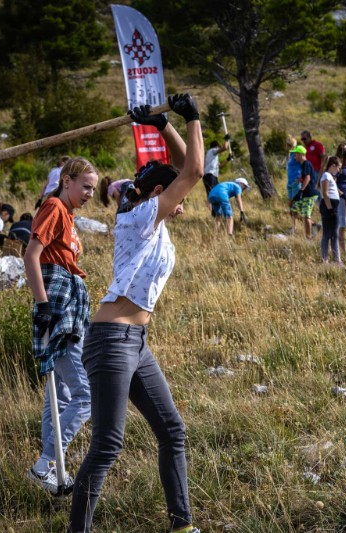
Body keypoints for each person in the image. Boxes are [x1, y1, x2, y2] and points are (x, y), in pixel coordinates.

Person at [68, 94, 203, 533]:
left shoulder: (149, 215)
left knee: (172, 431)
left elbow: (186, 171)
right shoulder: (141, 216)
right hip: (111, 341)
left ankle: (181, 525)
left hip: (135, 343)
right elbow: (194, 171)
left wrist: (162, 125)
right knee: (107, 444)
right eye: (176, 190)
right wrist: (194, 117)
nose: (186, 197)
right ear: (161, 193)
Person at [23, 156, 97, 496]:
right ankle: (45, 463)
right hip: (57, 304)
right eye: (85, 186)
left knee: (62, 392)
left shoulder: (67, 215)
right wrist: (43, 307)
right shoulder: (54, 206)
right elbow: (31, 255)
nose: (90, 194)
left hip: (67, 302)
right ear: (66, 180)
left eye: (93, 189)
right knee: (85, 394)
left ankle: (51, 468)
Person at [290, 145, 319, 240]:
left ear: (301, 154)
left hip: (309, 194)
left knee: (306, 216)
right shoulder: (303, 165)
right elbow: (306, 177)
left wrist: (301, 190)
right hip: (305, 194)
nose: (295, 156)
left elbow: (308, 177)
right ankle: (314, 225)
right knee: (293, 210)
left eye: (296, 154)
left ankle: (308, 238)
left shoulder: (306, 163)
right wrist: (300, 179)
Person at [319, 157, 342, 265]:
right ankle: (325, 259)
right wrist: (330, 209)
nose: (339, 170)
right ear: (333, 165)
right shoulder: (326, 175)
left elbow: (334, 190)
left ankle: (337, 259)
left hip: (333, 207)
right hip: (329, 207)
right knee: (327, 234)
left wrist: (343, 195)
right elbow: (325, 193)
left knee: (335, 234)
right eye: (338, 167)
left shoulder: (331, 177)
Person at [286, 137, 302, 233]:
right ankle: (293, 226)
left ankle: (310, 223)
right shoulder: (291, 154)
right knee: (291, 206)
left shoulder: (297, 153)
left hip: (296, 182)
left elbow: (304, 164)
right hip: (290, 182)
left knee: (295, 208)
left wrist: (301, 177)